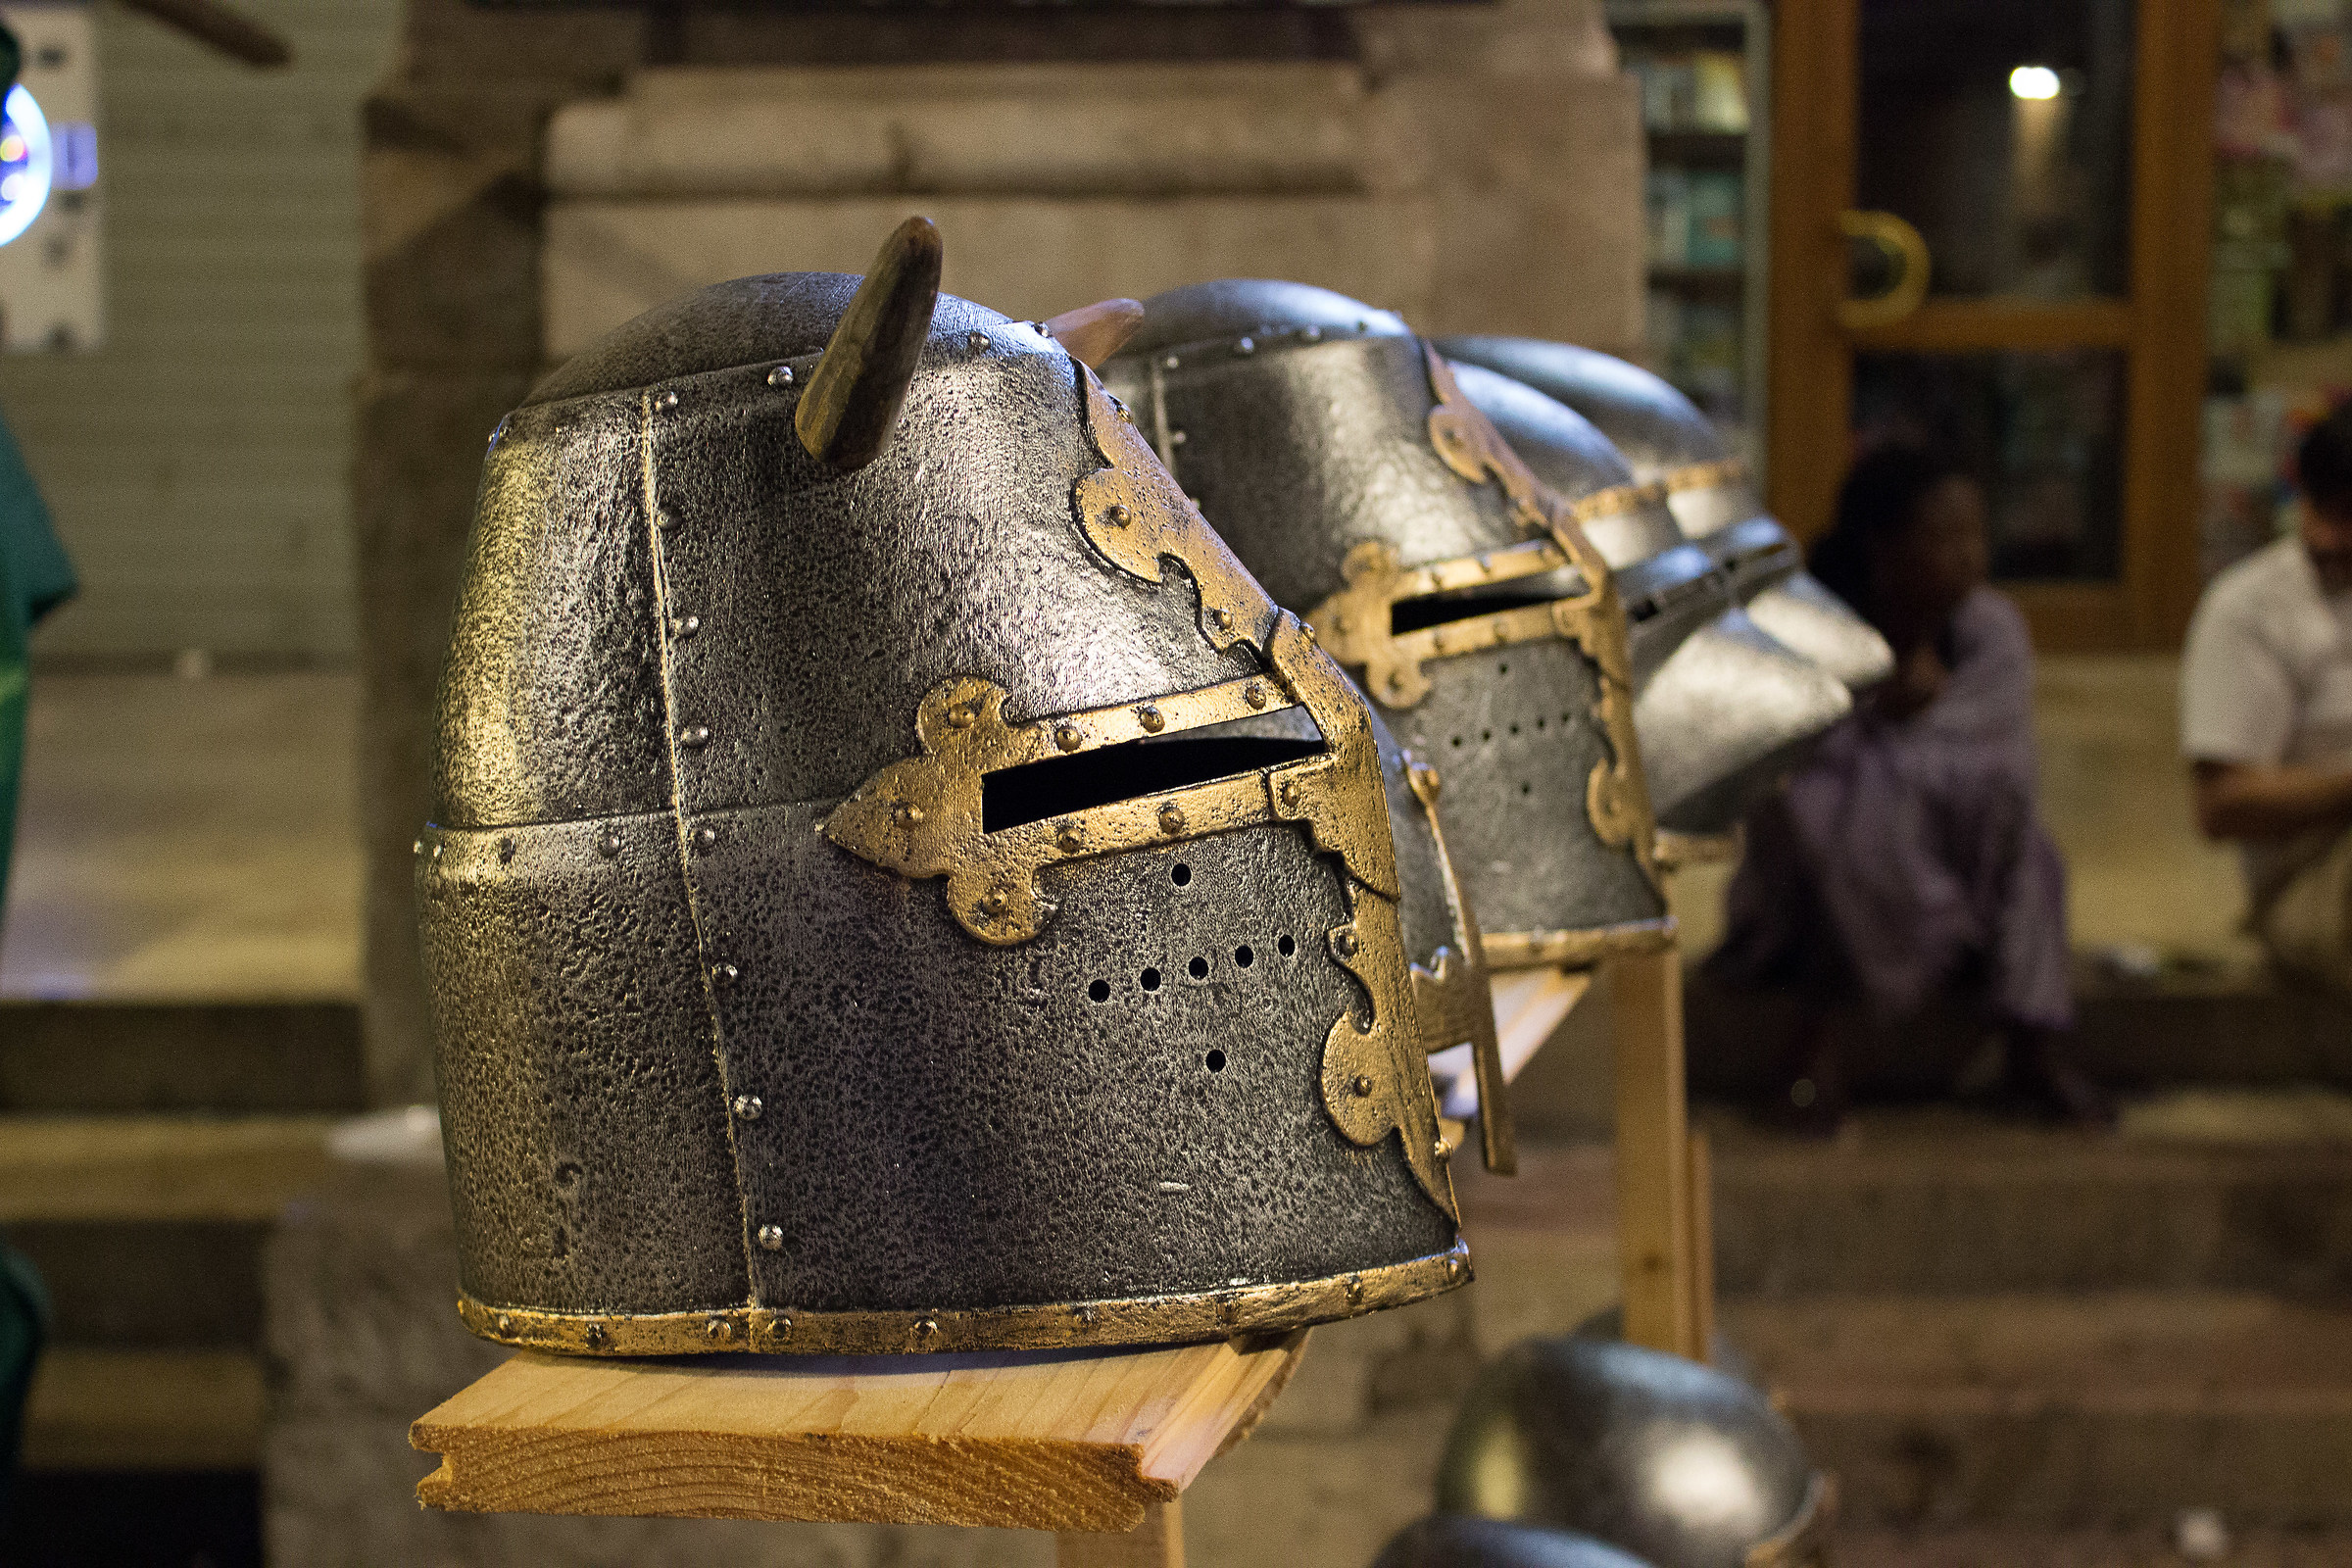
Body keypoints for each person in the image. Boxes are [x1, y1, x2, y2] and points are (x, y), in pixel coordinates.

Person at [1704, 444, 2109, 1133]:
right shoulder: (1806, 625)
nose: (1967, 558)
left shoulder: (1992, 633)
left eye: (1974, 536)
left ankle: (2031, 1046)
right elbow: (1774, 761)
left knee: (2029, 847)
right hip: (1814, 880)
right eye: (1941, 538)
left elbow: (1995, 764)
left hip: (1955, 849)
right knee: (1840, 818)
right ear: (1883, 547)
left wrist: (1882, 739)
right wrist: (1876, 711)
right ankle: (1822, 1039)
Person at [2181, 403, 2352, 990]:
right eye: (2322, 510)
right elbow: (2221, 802)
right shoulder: (2251, 606)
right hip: (2312, 881)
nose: (2330, 536)